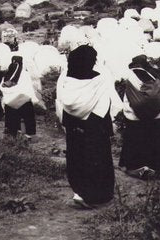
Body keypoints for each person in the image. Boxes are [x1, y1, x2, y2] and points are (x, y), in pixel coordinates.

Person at [56, 45, 117, 209]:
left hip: (74, 129)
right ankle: (98, 196)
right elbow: (104, 106)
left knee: (77, 159)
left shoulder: (67, 80)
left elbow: (63, 103)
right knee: (98, 159)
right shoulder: (99, 80)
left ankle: (80, 192)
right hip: (94, 128)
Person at [119, 55, 160, 179]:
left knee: (136, 139)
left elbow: (130, 95)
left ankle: (135, 165)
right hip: (159, 112)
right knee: (158, 139)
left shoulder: (132, 75)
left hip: (137, 113)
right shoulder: (156, 73)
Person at [0, 56, 38, 138]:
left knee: (11, 115)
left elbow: (3, 85)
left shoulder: (9, 72)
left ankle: (12, 131)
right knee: (27, 115)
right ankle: (28, 132)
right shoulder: (25, 73)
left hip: (10, 101)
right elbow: (28, 88)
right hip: (23, 100)